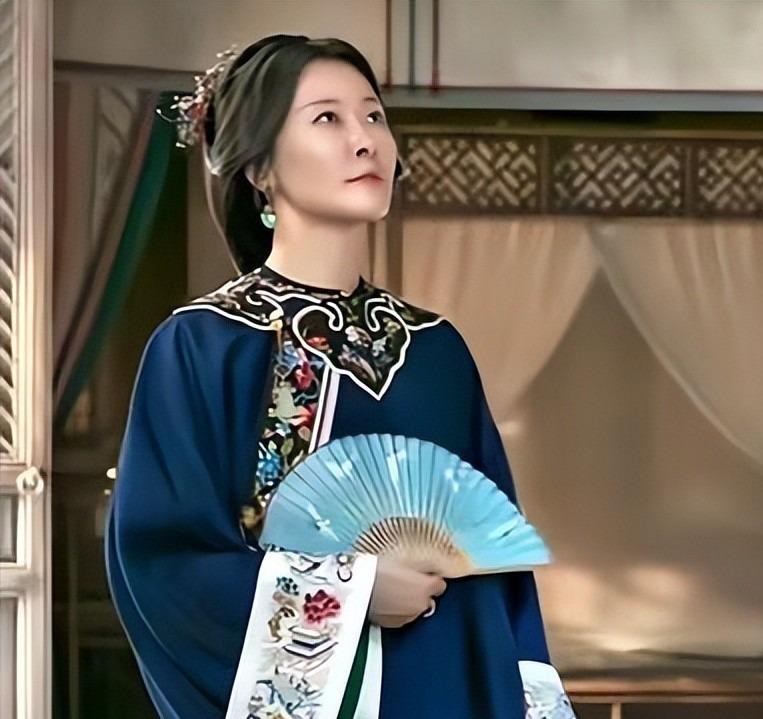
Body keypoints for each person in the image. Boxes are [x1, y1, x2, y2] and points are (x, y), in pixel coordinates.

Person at [105, 35, 574, 719]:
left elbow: (498, 569)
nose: (365, 141)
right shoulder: (205, 346)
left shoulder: (435, 350)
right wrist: (348, 591)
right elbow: (164, 564)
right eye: (327, 118)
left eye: (374, 116)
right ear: (259, 167)